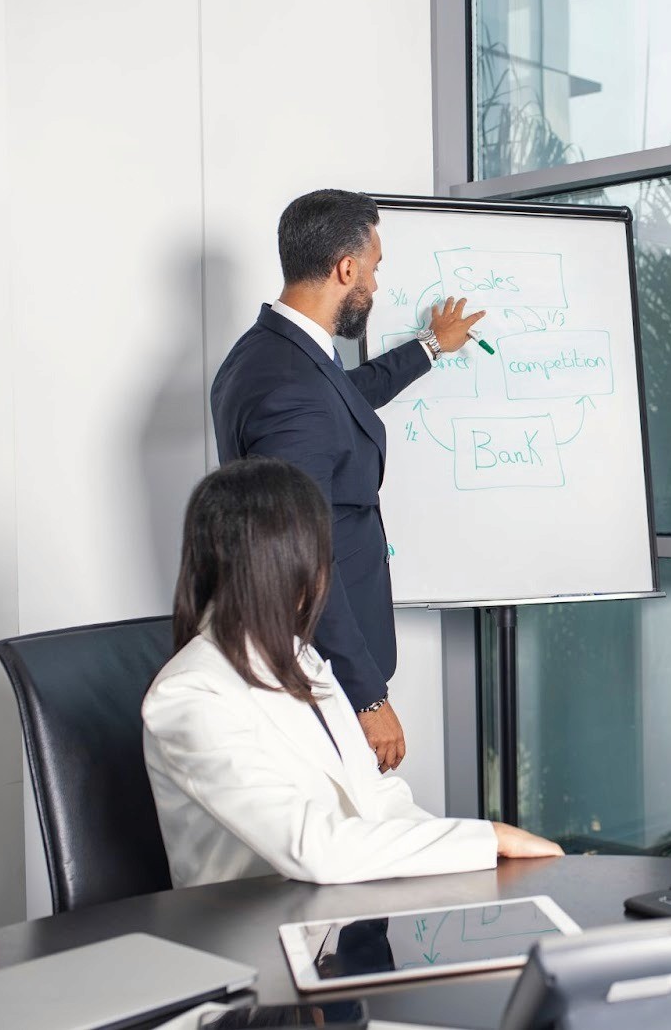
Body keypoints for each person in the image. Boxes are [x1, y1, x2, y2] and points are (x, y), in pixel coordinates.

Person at [143, 457, 561, 888]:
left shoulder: (298, 657)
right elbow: (311, 847)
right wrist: (484, 839)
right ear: (285, 563)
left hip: (336, 914)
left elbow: (375, 796)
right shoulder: (189, 695)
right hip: (254, 936)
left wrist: (475, 856)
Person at [211, 188, 483, 772]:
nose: (378, 286)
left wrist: (431, 347)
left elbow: (344, 402)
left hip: (316, 665)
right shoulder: (291, 389)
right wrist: (367, 697)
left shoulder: (272, 354)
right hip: (318, 674)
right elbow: (303, 558)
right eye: (376, 267)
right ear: (346, 267)